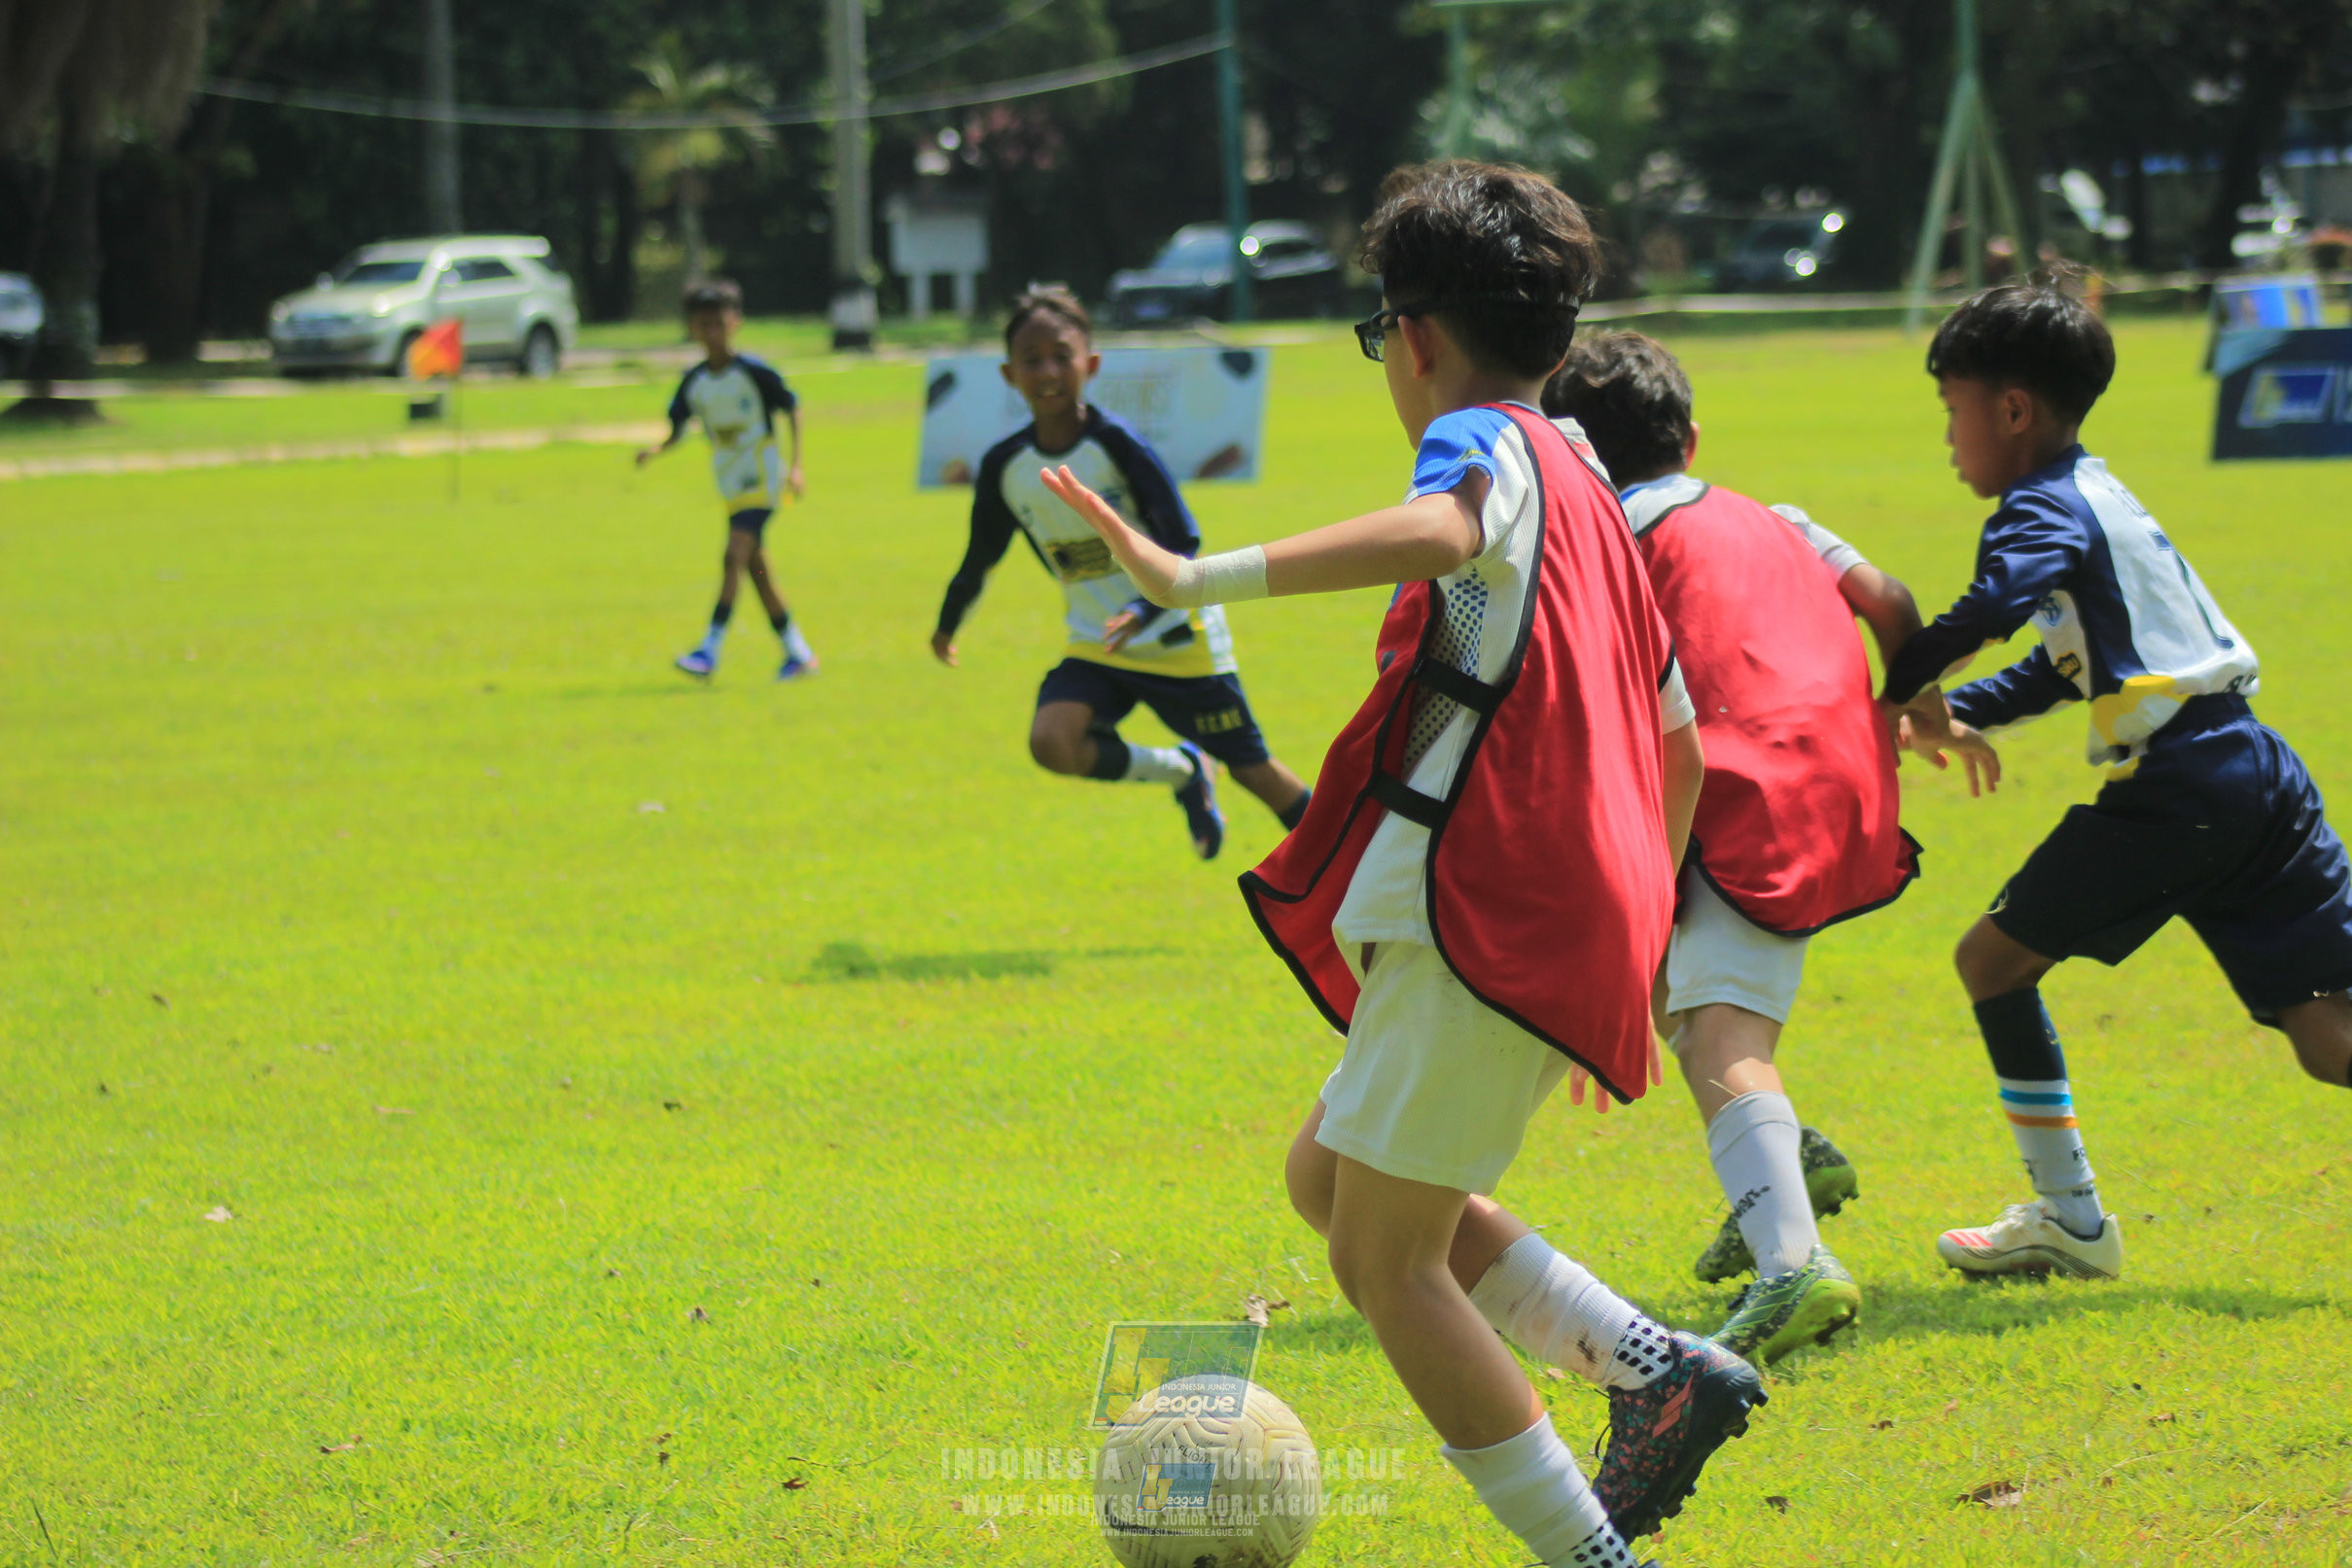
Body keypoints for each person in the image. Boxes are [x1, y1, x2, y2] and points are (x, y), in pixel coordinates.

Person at [1043, 161, 1764, 1565]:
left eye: (1380, 337)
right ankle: (1650, 1366)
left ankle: (1590, 1551)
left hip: (1482, 897)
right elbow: (1678, 750)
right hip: (1556, 909)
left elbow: (1442, 526)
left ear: (1414, 335)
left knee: (1381, 1261)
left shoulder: (1481, 443)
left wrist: (1193, 579)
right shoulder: (1596, 493)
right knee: (1329, 1174)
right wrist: (1625, 942)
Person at [1882, 274, 2352, 1279]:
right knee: (2327, 1034)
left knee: (1988, 962)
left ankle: (2071, 1219)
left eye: (1952, 410)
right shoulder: (2098, 490)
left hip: (2184, 789)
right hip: (2253, 770)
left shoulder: (2038, 507)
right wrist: (1959, 711)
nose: (1950, 435)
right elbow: (2070, 660)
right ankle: (2068, 1220)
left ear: (2011, 409)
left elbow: (1998, 598)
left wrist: (1903, 680)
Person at [1544, 331, 1921, 1365]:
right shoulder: (1775, 514)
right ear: (1692, 435)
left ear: (1570, 451)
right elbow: (1890, 600)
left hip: (1742, 789)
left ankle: (1792, 1263)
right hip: (1840, 777)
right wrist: (1911, 695)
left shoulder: (1604, 543)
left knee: (1720, 1034)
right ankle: (1786, 1159)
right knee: (1684, 993)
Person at [930, 286, 1310, 859]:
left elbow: (1183, 541)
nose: (1048, 370)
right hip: (1098, 642)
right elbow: (981, 555)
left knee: (1255, 773)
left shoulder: (1118, 446)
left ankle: (1350, 862)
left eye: (1062, 355)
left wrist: (1143, 607)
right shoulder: (1005, 466)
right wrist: (948, 623)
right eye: (1031, 360)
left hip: (1177, 634)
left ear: (1092, 364)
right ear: (1009, 375)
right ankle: (1182, 771)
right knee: (1053, 743)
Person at [635, 278, 815, 681]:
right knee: (756, 568)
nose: (711, 332)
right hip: (731, 485)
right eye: (703, 325)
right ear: (692, 328)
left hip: (764, 478)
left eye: (718, 323)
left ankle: (708, 650)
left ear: (735, 322)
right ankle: (797, 653)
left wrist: (797, 465)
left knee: (732, 555)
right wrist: (656, 450)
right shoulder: (694, 381)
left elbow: (793, 408)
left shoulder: (754, 372)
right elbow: (678, 427)